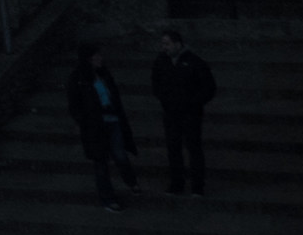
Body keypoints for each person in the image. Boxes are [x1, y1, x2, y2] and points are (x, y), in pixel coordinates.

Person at [67, 43, 140, 210]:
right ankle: (108, 198)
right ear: (89, 59)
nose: (101, 58)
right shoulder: (78, 79)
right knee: (101, 163)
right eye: (97, 56)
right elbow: (74, 105)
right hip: (95, 126)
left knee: (120, 155)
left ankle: (131, 182)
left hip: (112, 120)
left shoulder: (104, 74)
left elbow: (113, 96)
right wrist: (84, 122)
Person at [150, 27, 217, 196]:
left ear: (178, 44)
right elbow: (156, 83)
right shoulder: (161, 61)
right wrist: (165, 99)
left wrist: (192, 103)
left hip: (190, 114)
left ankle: (197, 186)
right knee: (173, 148)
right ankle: (177, 184)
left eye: (167, 44)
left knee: (193, 149)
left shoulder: (195, 62)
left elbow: (208, 88)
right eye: (162, 44)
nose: (164, 47)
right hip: (171, 113)